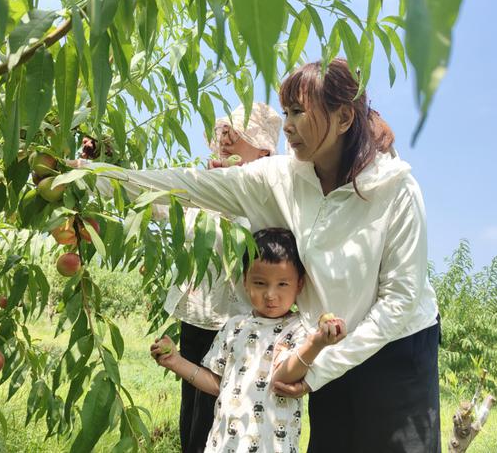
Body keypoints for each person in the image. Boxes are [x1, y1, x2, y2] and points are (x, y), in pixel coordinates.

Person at [80, 57, 441, 452]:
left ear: (343, 118)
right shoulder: (281, 178)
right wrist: (84, 174)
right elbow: (189, 186)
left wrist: (319, 368)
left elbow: (400, 300)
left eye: (299, 112)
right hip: (323, 348)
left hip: (395, 351)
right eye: (286, 112)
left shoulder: (394, 188)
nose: (287, 125)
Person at [155, 102, 283, 453]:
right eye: (222, 133)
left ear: (264, 150)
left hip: (242, 328)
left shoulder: (269, 198)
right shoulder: (207, 185)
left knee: (228, 422)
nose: (224, 141)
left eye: (237, 134)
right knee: (193, 419)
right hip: (198, 319)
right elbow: (159, 203)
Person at [150, 228, 346, 453]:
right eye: (260, 283)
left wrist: (317, 342)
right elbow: (217, 383)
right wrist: (175, 361)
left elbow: (282, 378)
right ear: (245, 281)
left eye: (282, 284)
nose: (270, 295)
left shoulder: (300, 330)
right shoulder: (234, 327)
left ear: (299, 285)